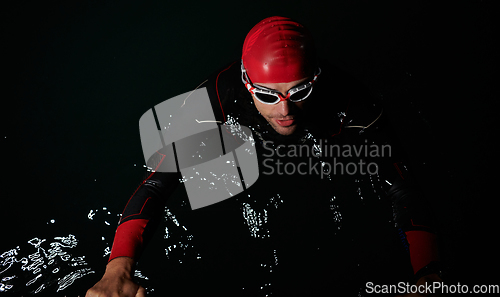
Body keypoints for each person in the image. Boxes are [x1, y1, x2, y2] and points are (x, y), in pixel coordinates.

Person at [86, 16, 442, 297]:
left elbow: (402, 185)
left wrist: (427, 274)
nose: (285, 108)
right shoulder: (214, 100)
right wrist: (117, 269)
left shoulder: (353, 102)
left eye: (298, 91)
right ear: (246, 83)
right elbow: (157, 183)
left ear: (316, 78)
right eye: (268, 95)